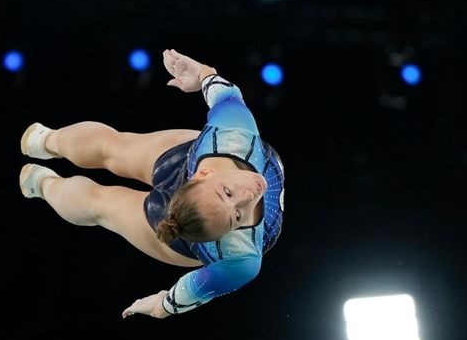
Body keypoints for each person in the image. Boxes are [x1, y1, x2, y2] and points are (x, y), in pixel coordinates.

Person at [18, 48, 285, 319]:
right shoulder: (234, 137)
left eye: (236, 216)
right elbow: (218, 88)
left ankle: (44, 180)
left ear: (223, 236)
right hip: (184, 161)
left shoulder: (241, 259)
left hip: (174, 231)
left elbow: (187, 293)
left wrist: (162, 305)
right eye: (227, 193)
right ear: (204, 174)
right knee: (107, 169)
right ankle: (46, 147)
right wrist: (202, 73)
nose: (251, 194)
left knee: (102, 191)